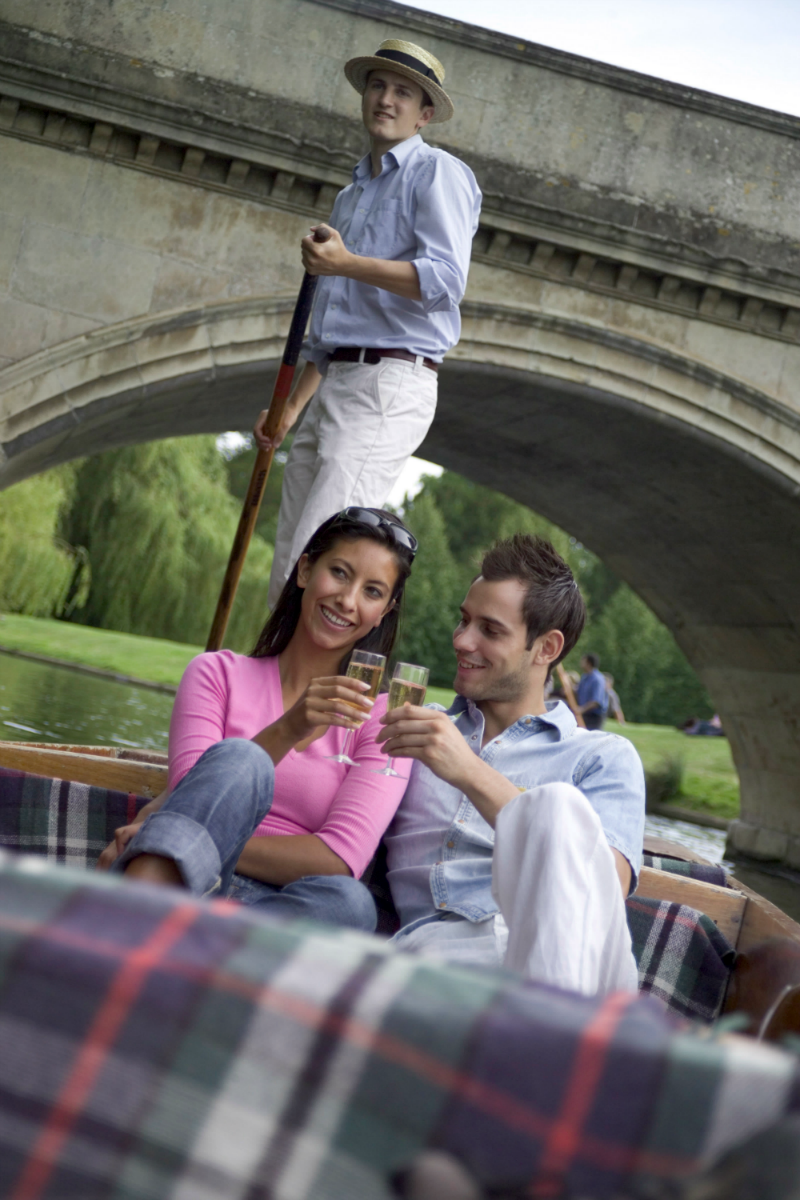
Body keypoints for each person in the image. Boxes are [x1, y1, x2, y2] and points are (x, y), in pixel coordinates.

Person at [97, 508, 416, 931]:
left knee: (349, 903)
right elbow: (193, 796)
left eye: (372, 591)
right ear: (305, 569)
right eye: (339, 572)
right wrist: (289, 728)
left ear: (384, 611)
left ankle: (171, 946)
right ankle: (142, 937)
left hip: (277, 911)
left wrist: (161, 832)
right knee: (239, 759)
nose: (348, 600)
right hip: (184, 881)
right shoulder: (216, 674)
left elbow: (340, 860)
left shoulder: (382, 722)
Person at [254, 38, 482, 608]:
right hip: (338, 382)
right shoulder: (351, 195)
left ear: (424, 114)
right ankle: (269, 690)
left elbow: (445, 282)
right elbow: (331, 329)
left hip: (389, 385)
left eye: (403, 92)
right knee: (294, 561)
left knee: (330, 559)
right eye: (378, 86)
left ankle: (315, 690)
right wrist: (290, 408)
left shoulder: (438, 173)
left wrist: (346, 262)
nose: (386, 99)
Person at [378, 535, 645, 996]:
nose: (462, 640)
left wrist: (469, 771)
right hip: (435, 957)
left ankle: (548, 1029)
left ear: (546, 648)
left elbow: (603, 890)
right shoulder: (415, 728)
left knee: (559, 808)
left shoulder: (602, 757)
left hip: (570, 955)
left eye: (490, 630)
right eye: (463, 621)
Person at [576, 652, 608, 731]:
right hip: (585, 713)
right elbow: (579, 692)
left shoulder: (597, 679)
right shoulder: (584, 677)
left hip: (594, 716)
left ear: (588, 663)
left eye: (583, 661)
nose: (580, 662)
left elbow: (596, 701)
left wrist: (581, 709)